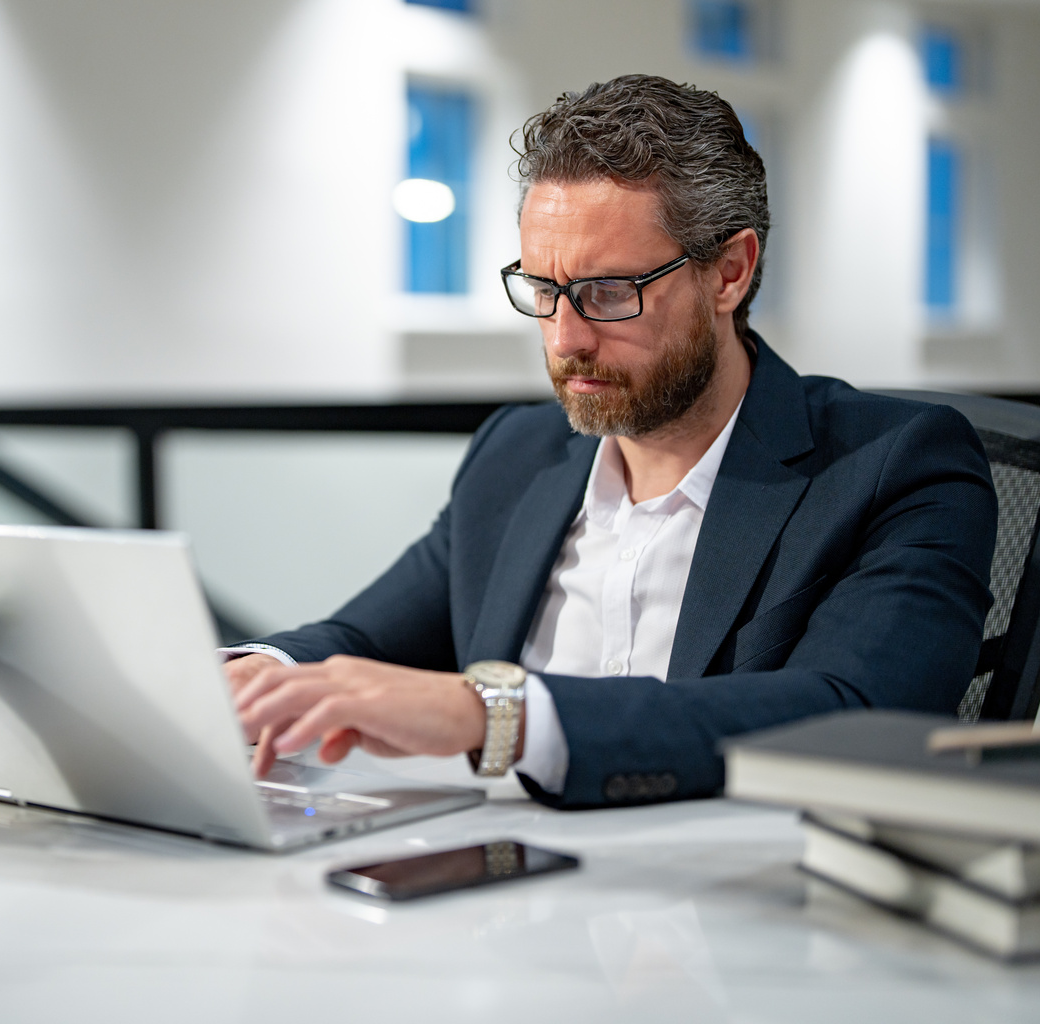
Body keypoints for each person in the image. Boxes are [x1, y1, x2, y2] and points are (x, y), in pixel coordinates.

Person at [222, 74, 997, 809]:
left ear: (729, 272)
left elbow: (848, 714)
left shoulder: (898, 466)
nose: (565, 339)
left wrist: (501, 717)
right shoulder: (517, 454)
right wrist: (263, 674)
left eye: (607, 294)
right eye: (542, 289)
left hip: (733, 908)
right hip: (503, 890)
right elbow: (365, 639)